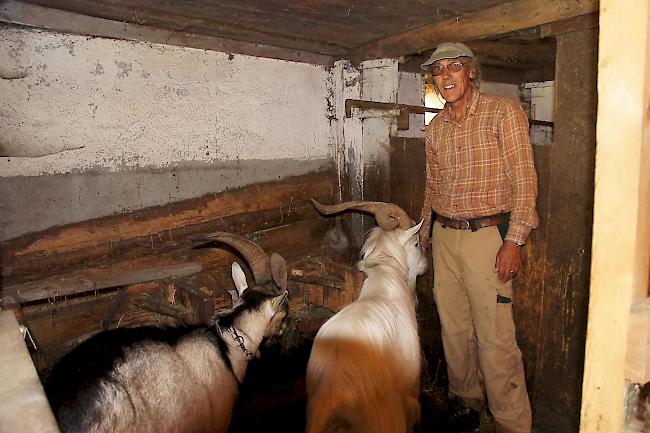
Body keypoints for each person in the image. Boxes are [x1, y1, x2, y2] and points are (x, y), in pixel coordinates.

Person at [419, 42, 539, 433]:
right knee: (453, 329)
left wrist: (514, 240)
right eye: (438, 71)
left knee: (495, 336)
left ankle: (511, 423)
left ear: (470, 71)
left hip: (488, 236)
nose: (446, 76)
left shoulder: (503, 113)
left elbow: (524, 179)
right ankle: (466, 402)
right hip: (445, 236)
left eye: (454, 67)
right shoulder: (435, 128)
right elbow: (432, 186)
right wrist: (424, 232)